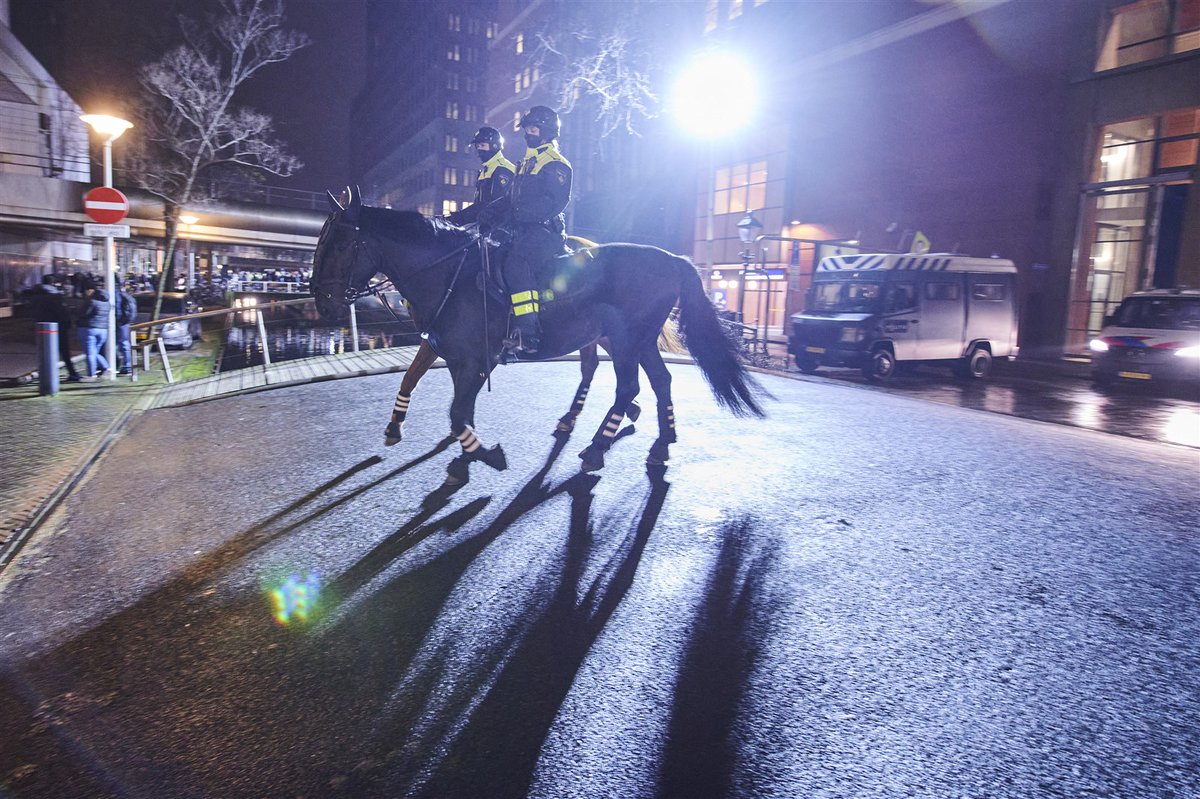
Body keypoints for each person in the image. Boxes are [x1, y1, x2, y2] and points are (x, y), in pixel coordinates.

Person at [482, 105, 572, 355]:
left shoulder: (555, 163)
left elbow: (554, 203)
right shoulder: (526, 162)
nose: (527, 134)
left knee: (516, 263)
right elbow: (512, 198)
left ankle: (528, 332)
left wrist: (517, 216)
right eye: (527, 129)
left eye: (533, 129)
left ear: (546, 131)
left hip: (545, 232)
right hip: (522, 229)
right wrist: (489, 212)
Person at [448, 126, 516, 227]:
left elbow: (495, 203)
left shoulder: (503, 168)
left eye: (483, 145)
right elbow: (479, 204)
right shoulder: (486, 169)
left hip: (501, 230)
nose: (479, 150)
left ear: (494, 146)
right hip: (487, 227)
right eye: (477, 146)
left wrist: (461, 217)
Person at [28, 275, 83, 382]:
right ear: (53, 283)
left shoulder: (36, 296)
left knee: (45, 351)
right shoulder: (56, 295)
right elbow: (62, 312)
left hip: (42, 326)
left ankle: (46, 374)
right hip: (59, 326)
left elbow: (33, 311)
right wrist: (68, 323)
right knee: (64, 351)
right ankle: (72, 374)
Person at [76, 278, 111, 380]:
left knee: (90, 353)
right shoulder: (107, 303)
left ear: (91, 290)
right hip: (103, 330)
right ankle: (106, 368)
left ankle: (92, 374)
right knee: (95, 352)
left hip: (89, 329)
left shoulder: (92, 302)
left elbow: (83, 314)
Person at [114, 282, 138, 375]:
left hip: (119, 322)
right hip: (124, 323)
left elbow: (117, 310)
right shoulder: (125, 296)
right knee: (124, 344)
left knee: (117, 344)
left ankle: (120, 366)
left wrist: (117, 321)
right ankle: (126, 366)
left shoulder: (116, 295)